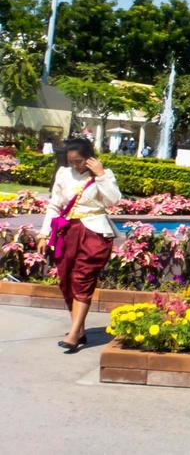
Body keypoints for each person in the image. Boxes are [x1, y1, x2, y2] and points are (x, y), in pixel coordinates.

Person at [36, 137, 121, 352]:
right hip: (67, 232)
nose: (76, 165)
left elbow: (113, 201)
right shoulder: (63, 174)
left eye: (80, 160)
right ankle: (80, 329)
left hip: (94, 232)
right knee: (66, 279)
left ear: (89, 157)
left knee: (82, 278)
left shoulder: (104, 174)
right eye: (72, 161)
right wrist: (43, 234)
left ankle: (73, 334)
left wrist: (100, 175)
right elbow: (54, 205)